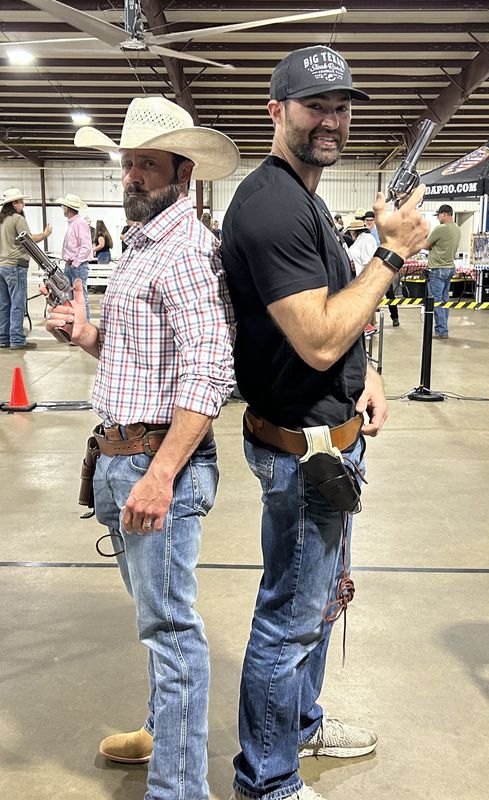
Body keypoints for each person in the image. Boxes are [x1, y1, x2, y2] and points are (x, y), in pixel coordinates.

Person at [221, 45, 429, 800]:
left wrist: (362, 374)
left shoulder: (303, 197)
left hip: (327, 441)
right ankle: (267, 780)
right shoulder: (272, 206)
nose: (332, 120)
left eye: (341, 107)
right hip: (303, 455)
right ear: (275, 111)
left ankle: (300, 724)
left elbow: (328, 319)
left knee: (315, 606)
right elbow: (314, 337)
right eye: (315, 106)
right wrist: (392, 253)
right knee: (289, 618)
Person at [46, 95, 239, 800]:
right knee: (157, 623)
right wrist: (85, 336)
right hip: (119, 456)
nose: (131, 176)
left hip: (156, 464)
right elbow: (137, 358)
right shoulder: (142, 243)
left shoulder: (186, 251)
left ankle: (179, 789)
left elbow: (208, 373)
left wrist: (159, 476)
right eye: (128, 163)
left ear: (182, 173)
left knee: (170, 630)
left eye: (147, 165)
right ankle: (165, 733)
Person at [0, 187, 52, 350]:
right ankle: (17, 339)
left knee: (4, 304)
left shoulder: (2, 220)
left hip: (2, 265)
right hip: (16, 265)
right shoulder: (17, 219)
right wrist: (45, 234)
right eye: (21, 202)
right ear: (14, 204)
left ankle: (3, 338)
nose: (23, 204)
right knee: (18, 303)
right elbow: (27, 240)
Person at [424, 203, 461, 339]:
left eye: (438, 215)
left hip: (437, 268)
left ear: (444, 214)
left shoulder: (440, 228)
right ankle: (443, 328)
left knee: (436, 301)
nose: (437, 218)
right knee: (445, 300)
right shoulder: (457, 228)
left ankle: (442, 330)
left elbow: (425, 245)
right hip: (449, 267)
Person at [57, 193, 93, 320]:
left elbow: (86, 247)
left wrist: (75, 263)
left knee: (80, 297)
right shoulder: (75, 223)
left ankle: (84, 324)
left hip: (77, 266)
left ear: (66, 208)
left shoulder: (79, 223)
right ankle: (77, 323)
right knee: (71, 297)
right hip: (73, 265)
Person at [365, 210, 400, 326]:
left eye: (371, 220)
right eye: (367, 220)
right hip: (369, 267)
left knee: (389, 293)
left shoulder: (379, 233)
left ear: (374, 221)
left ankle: (395, 317)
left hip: (382, 266)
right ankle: (369, 321)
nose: (369, 222)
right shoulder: (364, 234)